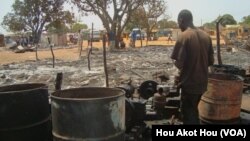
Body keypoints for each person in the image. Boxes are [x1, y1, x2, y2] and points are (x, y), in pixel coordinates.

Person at [171, 9, 214, 124]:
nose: (178, 25)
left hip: (189, 85)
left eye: (178, 22)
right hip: (202, 85)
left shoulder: (184, 36)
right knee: (193, 111)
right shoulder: (206, 36)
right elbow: (211, 61)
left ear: (181, 20)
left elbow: (178, 64)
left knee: (188, 115)